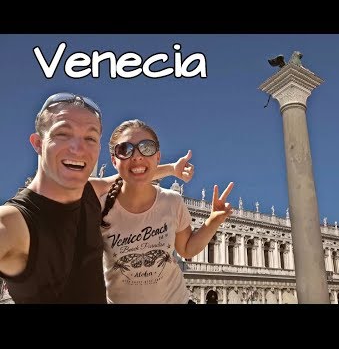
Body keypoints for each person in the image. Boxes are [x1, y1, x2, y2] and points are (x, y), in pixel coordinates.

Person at [0, 93, 194, 304]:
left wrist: (172, 169)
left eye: (90, 138)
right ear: (37, 143)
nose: (78, 148)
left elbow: (132, 174)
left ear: (99, 149)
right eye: (63, 134)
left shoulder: (90, 192)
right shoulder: (15, 221)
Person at [100, 119, 234, 303]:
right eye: (125, 150)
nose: (137, 156)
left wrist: (213, 221)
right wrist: (169, 169)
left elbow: (186, 249)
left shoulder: (172, 200)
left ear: (158, 157)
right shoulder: (99, 205)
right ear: (114, 160)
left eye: (146, 148)